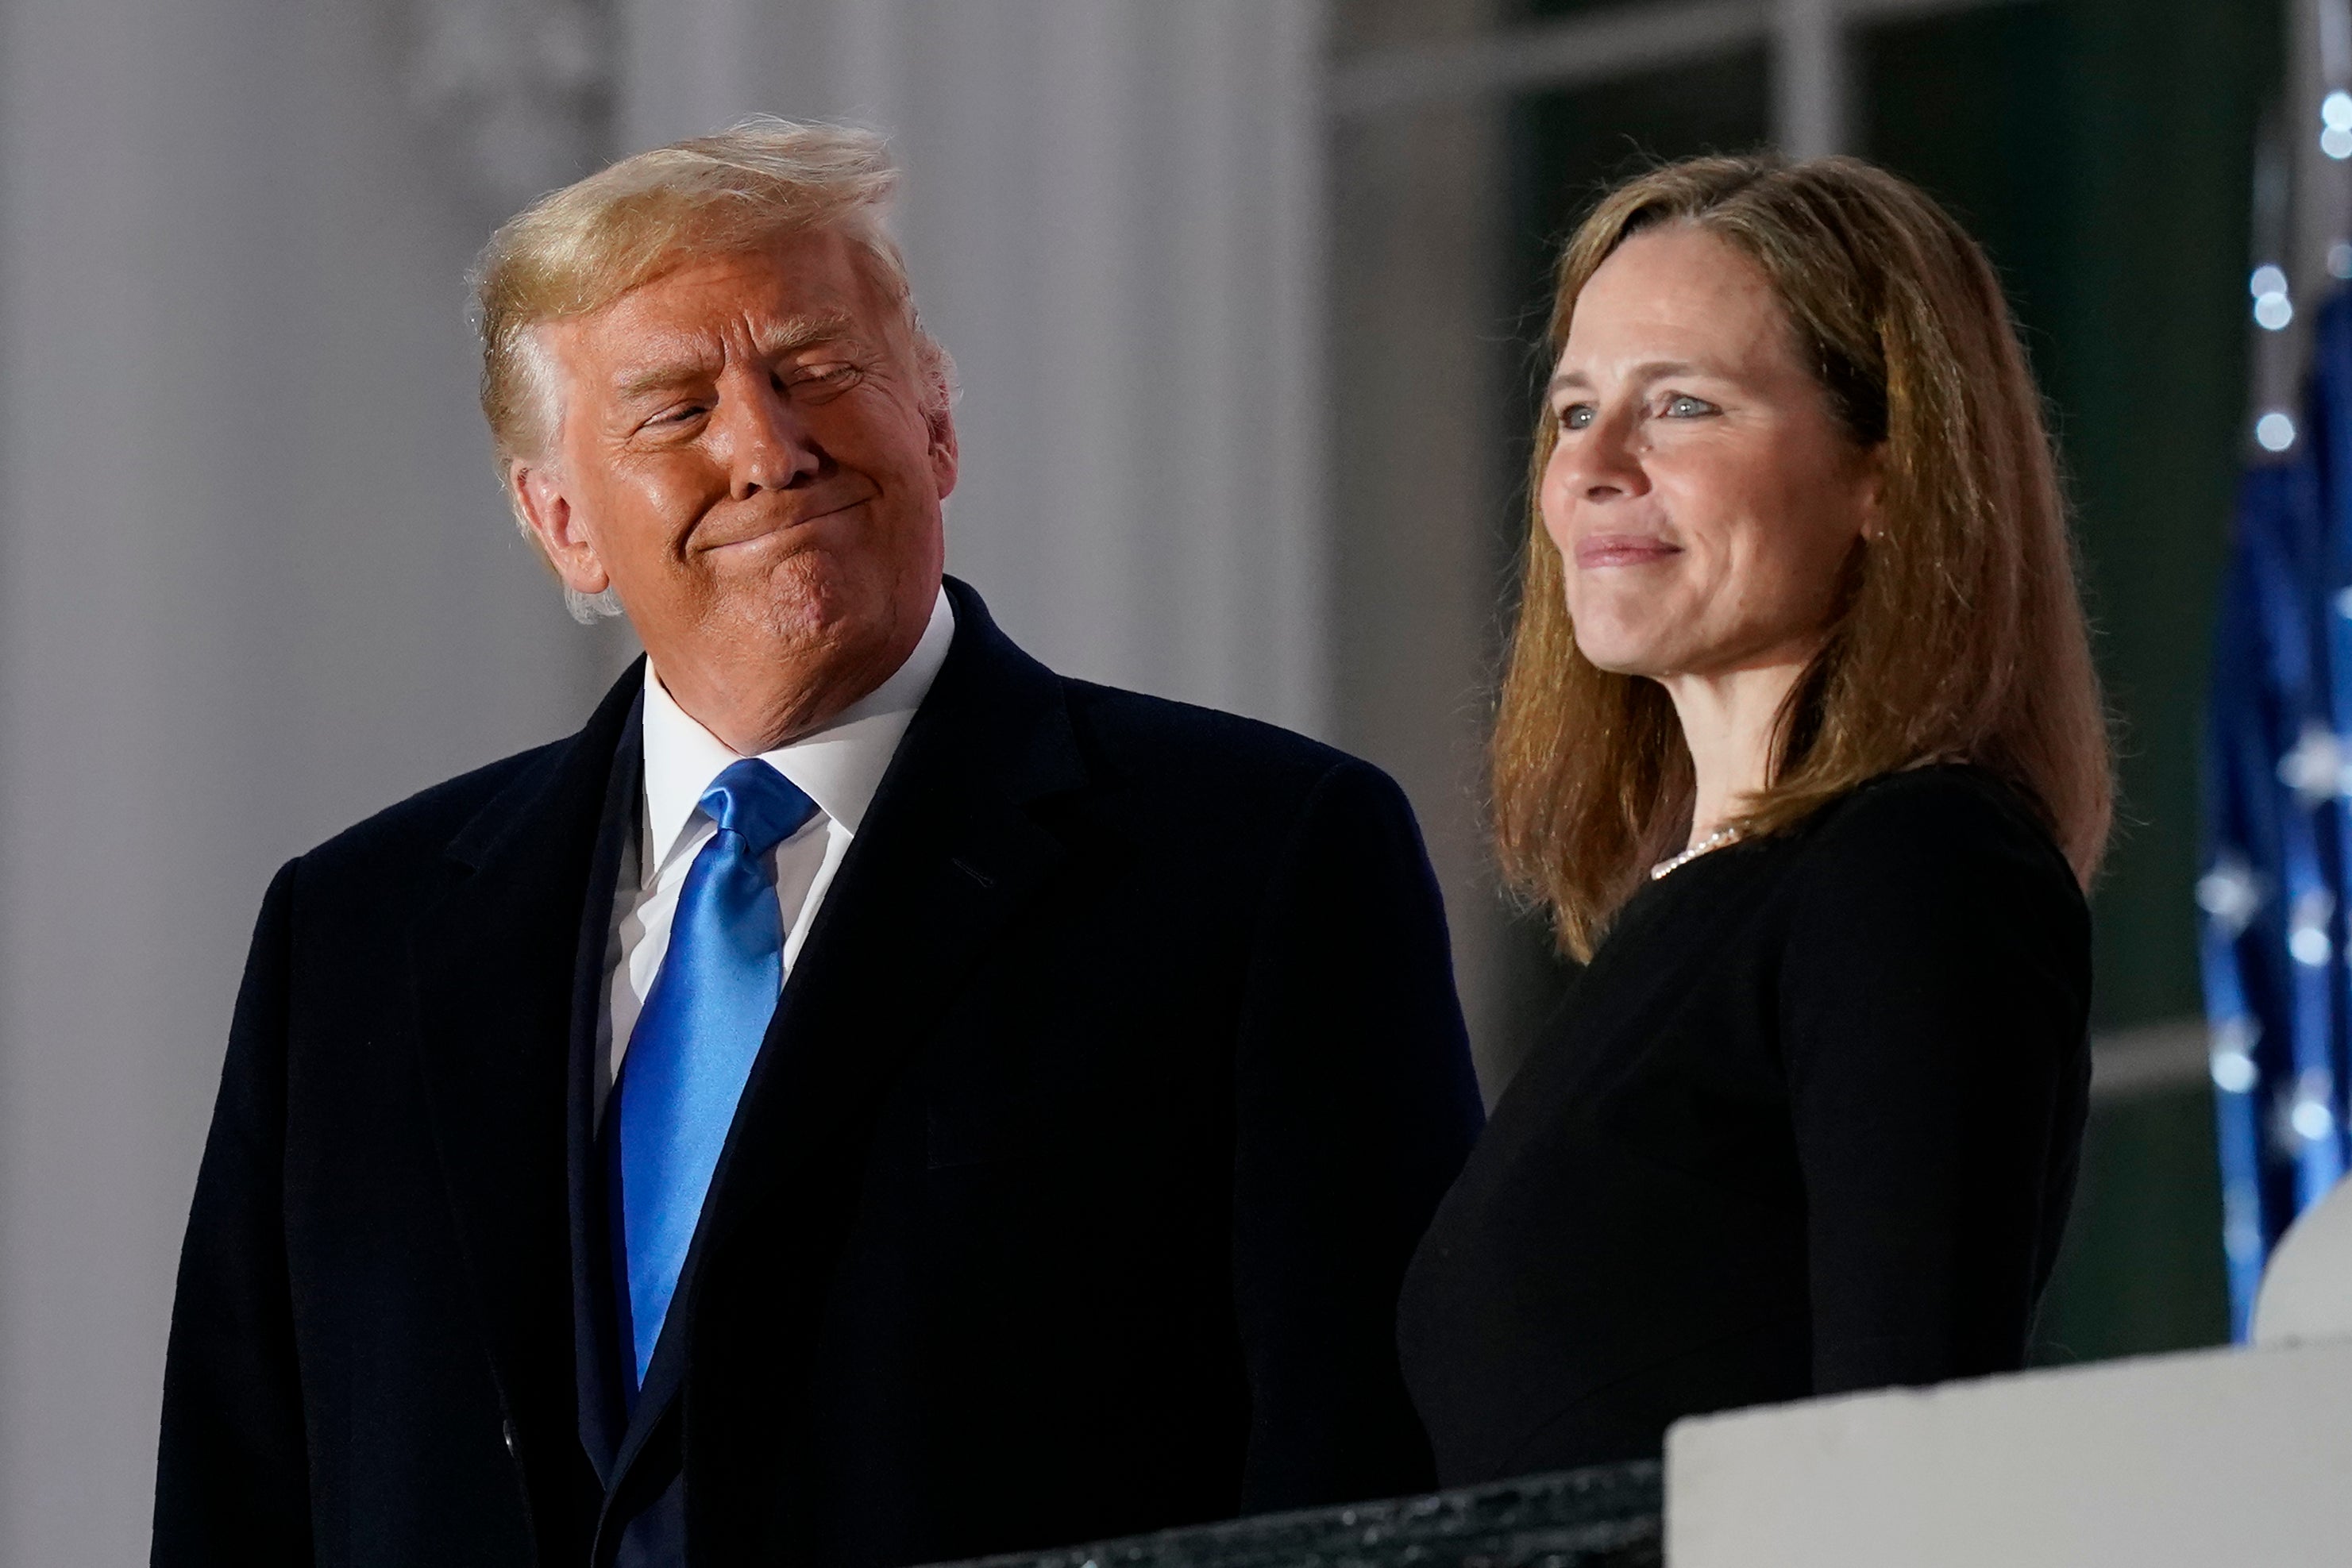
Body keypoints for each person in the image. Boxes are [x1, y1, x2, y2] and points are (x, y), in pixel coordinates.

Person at [154, 120, 1484, 1567]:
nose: (768, 450)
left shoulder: (1257, 858)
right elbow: (243, 1497)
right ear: (561, 527)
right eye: (672, 410)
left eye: (819, 373)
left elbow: (1365, 1480)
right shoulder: (352, 935)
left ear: (937, 424)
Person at [1396, 153, 2110, 1482]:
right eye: (1569, 412)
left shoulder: (1916, 873)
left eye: (1680, 406)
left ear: (1885, 475)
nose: (1595, 467)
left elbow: (1903, 1461)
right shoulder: (1689, 917)